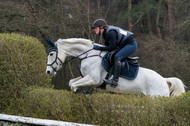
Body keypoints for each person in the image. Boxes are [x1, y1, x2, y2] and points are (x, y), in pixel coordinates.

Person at [91, 19, 138, 87]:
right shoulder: (105, 34)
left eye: (95, 28)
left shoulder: (111, 33)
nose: (94, 30)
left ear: (101, 27)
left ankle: (114, 81)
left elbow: (111, 47)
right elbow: (107, 47)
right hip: (123, 45)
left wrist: (98, 48)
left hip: (131, 45)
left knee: (117, 57)